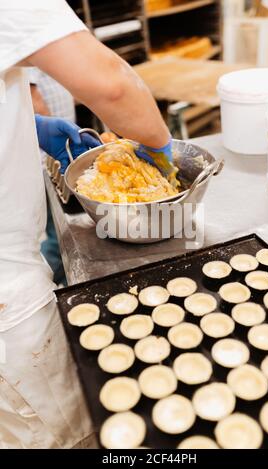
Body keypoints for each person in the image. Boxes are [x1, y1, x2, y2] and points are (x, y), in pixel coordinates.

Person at [0, 0, 171, 449]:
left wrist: (27, 124)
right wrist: (160, 155)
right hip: (7, 300)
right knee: (64, 436)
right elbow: (113, 85)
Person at [30, 68, 76, 286]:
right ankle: (48, 287)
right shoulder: (20, 38)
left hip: (55, 156)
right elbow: (32, 96)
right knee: (60, 237)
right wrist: (52, 142)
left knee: (59, 234)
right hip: (46, 160)